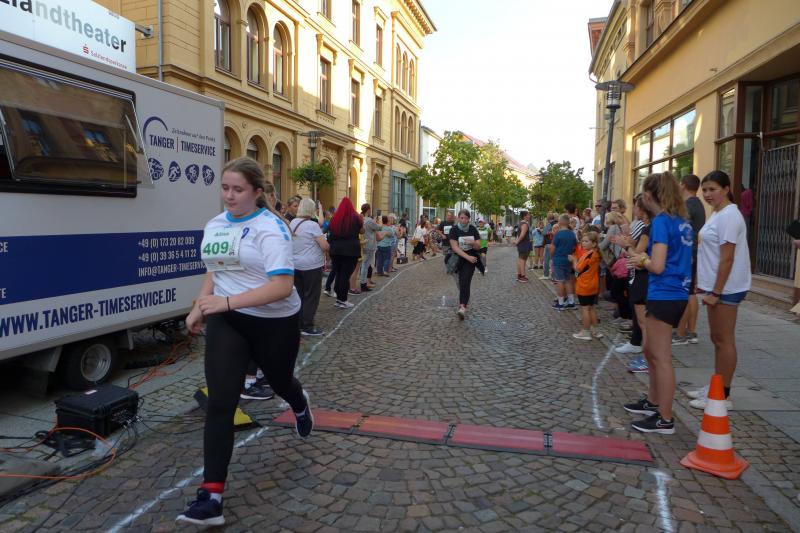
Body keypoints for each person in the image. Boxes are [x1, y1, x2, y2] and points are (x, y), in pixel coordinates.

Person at [177, 157, 312, 526]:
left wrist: (225, 302)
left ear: (256, 191)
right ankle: (212, 497)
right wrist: (200, 305)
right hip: (229, 321)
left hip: (274, 321)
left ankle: (299, 403)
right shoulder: (216, 224)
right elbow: (215, 270)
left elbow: (282, 285)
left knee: (280, 381)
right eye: (225, 188)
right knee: (221, 402)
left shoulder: (271, 228)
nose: (229, 196)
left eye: (238, 189)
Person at [624, 171, 693, 434]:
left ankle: (665, 418)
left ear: (648, 195)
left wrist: (640, 260)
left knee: (661, 357)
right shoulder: (681, 221)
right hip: (676, 292)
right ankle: (653, 402)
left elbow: (658, 265)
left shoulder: (662, 221)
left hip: (665, 292)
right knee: (651, 351)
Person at [687, 170, 751, 409]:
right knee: (717, 338)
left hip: (726, 287)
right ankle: (716, 385)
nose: (707, 194)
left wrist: (715, 292)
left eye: (712, 189)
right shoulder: (718, 213)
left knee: (724, 340)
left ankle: (723, 395)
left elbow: (727, 258)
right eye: (704, 190)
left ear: (726, 189)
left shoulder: (730, 216)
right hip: (715, 286)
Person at [615, 195, 652, 371]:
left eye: (636, 206)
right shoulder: (648, 227)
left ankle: (647, 360)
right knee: (644, 322)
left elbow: (637, 256)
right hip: (642, 275)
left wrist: (625, 245)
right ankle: (645, 356)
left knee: (644, 323)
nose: (634, 209)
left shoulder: (648, 229)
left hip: (642, 276)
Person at [673, 174, 706, 346]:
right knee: (691, 292)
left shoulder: (688, 205)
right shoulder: (698, 204)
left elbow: (682, 231)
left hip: (687, 254)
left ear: (684, 185)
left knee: (685, 292)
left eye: (679, 183)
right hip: (693, 252)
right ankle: (691, 331)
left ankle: (680, 333)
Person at [290, 198, 329, 336]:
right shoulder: (312, 225)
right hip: (311, 266)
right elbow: (324, 246)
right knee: (311, 296)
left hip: (295, 265)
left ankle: (299, 323)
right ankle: (307, 326)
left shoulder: (293, 223)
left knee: (299, 295)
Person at [327, 197, 363, 308]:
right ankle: (343, 299)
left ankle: (338, 298)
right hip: (350, 251)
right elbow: (362, 230)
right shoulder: (355, 218)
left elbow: (329, 232)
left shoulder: (335, 218)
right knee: (345, 275)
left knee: (339, 273)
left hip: (335, 250)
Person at [449, 209, 483, 319]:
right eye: (462, 218)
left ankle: (462, 307)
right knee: (461, 282)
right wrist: (467, 257)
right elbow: (455, 247)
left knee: (465, 282)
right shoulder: (454, 230)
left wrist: (473, 243)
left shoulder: (472, 229)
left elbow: (478, 246)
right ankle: (463, 293)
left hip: (470, 260)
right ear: (458, 218)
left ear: (469, 219)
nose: (464, 220)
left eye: (466, 218)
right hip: (457, 259)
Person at [570, 231, 602, 340]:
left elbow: (578, 269)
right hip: (593, 285)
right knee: (591, 308)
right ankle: (595, 330)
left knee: (585, 309)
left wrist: (574, 260)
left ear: (594, 243)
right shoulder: (595, 253)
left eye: (586, 241)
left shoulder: (588, 254)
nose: (583, 243)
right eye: (582, 241)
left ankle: (586, 331)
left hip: (585, 285)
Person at [550, 214, 578, 310]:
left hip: (558, 260)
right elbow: (575, 246)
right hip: (568, 259)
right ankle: (571, 302)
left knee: (560, 281)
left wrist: (552, 257)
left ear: (560, 222)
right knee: (568, 281)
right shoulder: (572, 233)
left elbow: (552, 248)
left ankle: (561, 303)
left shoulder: (558, 234)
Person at [358, 203, 383, 292]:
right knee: (365, 265)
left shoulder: (361, 218)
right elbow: (379, 228)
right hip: (369, 244)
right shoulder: (369, 220)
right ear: (368, 210)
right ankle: (363, 283)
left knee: (364, 265)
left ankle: (363, 282)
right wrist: (379, 220)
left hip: (363, 244)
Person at [514, 211, 532, 282]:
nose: (529, 216)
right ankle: (522, 276)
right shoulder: (524, 224)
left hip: (522, 244)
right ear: (524, 216)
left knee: (520, 259)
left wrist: (517, 241)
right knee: (522, 260)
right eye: (528, 215)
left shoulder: (520, 223)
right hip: (524, 244)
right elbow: (522, 235)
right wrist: (517, 242)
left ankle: (519, 275)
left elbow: (519, 235)